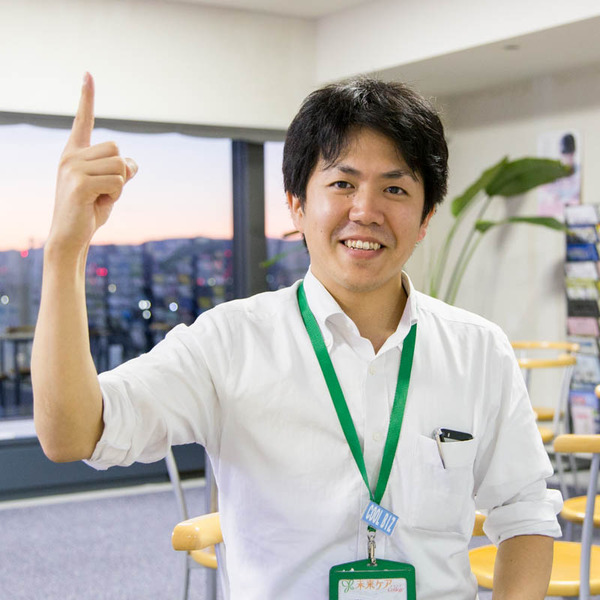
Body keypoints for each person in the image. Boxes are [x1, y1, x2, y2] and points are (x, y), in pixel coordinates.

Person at [32, 73, 562, 600]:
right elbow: (72, 434)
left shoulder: (478, 350)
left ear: (425, 218)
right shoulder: (229, 343)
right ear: (297, 205)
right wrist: (64, 252)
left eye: (394, 188)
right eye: (343, 184)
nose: (366, 211)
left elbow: (525, 511)